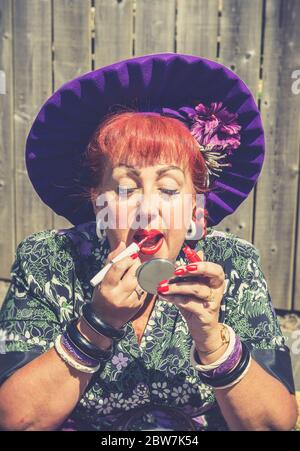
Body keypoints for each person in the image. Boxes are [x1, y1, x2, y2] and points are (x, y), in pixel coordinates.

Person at [0, 53, 297, 431]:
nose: (147, 209)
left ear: (195, 205)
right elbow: (16, 422)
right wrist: (96, 325)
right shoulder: (47, 260)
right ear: (97, 199)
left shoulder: (233, 262)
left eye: (169, 189)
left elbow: (274, 425)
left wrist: (211, 339)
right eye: (125, 188)